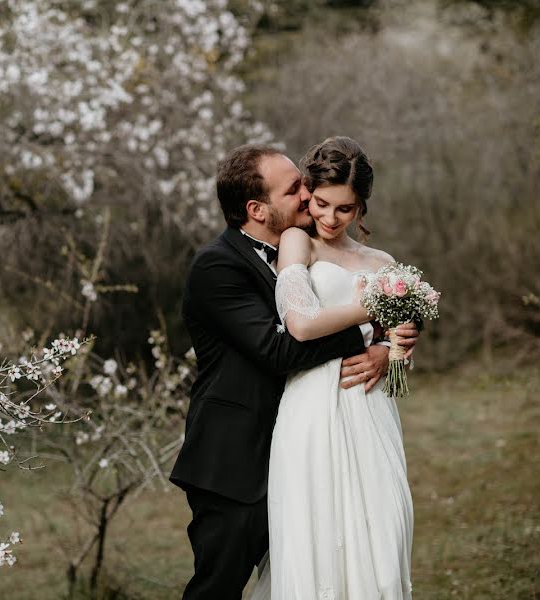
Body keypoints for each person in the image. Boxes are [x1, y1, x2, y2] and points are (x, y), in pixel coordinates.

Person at [169, 143, 419, 599]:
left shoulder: (302, 247)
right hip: (236, 461)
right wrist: (369, 329)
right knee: (218, 588)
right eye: (296, 190)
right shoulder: (217, 266)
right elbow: (278, 349)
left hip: (315, 439)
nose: (307, 196)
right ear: (257, 209)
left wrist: (388, 343)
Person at [248, 136, 414, 599]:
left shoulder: (381, 263)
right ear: (308, 191)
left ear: (361, 208)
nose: (330, 218)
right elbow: (300, 324)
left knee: (384, 528)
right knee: (319, 532)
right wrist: (373, 307)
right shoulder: (298, 242)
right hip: (313, 407)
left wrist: (391, 348)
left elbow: (398, 340)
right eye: (322, 203)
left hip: (371, 407)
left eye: (346, 209)